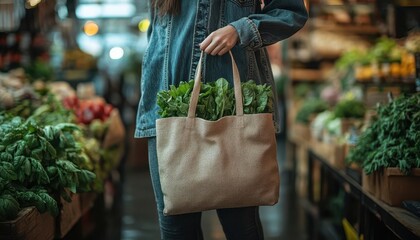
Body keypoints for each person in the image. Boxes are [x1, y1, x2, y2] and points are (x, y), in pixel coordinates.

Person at [135, 0, 308, 239]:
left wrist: (241, 29)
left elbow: (291, 11)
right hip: (166, 107)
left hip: (231, 104)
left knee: (240, 226)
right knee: (176, 227)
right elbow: (156, 35)